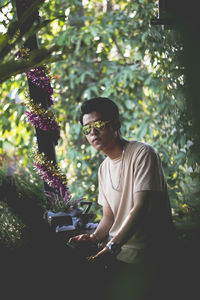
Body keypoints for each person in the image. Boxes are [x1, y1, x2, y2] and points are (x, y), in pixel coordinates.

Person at [69, 97, 174, 299]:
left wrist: (111, 247)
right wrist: (94, 238)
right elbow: (109, 216)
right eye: (87, 129)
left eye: (98, 124)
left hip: (148, 259)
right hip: (118, 257)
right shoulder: (103, 169)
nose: (93, 133)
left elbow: (140, 208)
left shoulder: (142, 154)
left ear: (116, 124)